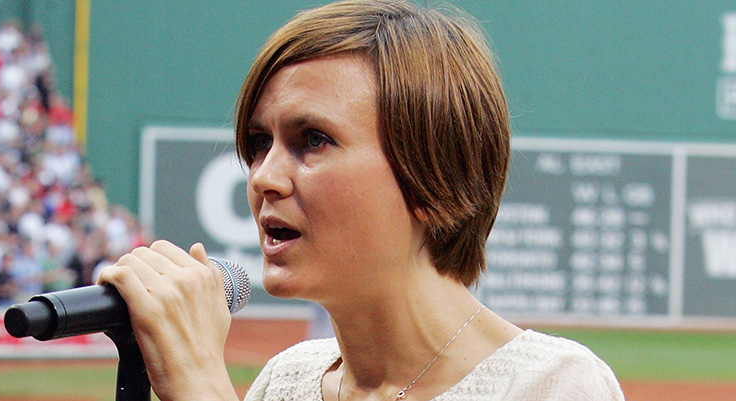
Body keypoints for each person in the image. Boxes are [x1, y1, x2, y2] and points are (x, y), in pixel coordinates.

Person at [97, 1, 625, 400]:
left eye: (312, 140)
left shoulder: (554, 385)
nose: (263, 177)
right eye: (260, 144)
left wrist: (203, 389)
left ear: (430, 176)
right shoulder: (286, 382)